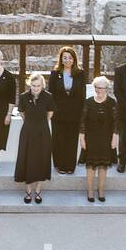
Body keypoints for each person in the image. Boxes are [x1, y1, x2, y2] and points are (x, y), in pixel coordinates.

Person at [14, 73, 54, 204]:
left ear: (42, 85)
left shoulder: (48, 97)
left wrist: (40, 124)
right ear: (29, 84)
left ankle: (38, 191)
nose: (36, 88)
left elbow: (50, 113)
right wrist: (32, 124)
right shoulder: (24, 97)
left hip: (43, 132)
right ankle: (28, 191)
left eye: (38, 86)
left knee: (41, 159)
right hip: (28, 132)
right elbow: (22, 113)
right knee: (27, 159)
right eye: (33, 85)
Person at [79, 76, 117, 203]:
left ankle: (101, 190)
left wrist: (115, 138)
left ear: (106, 88)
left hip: (106, 139)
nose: (99, 90)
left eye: (102, 88)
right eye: (97, 87)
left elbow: (116, 123)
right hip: (90, 139)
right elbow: (82, 122)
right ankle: (90, 191)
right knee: (90, 166)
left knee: (103, 166)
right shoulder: (88, 102)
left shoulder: (112, 103)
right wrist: (82, 139)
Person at [49, 46, 87, 174]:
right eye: (64, 58)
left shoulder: (80, 74)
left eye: (70, 58)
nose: (67, 60)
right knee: (58, 140)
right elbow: (51, 95)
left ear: (74, 59)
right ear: (61, 59)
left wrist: (82, 114)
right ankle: (59, 165)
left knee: (71, 140)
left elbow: (82, 96)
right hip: (58, 114)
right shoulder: (55, 74)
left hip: (74, 114)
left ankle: (70, 166)